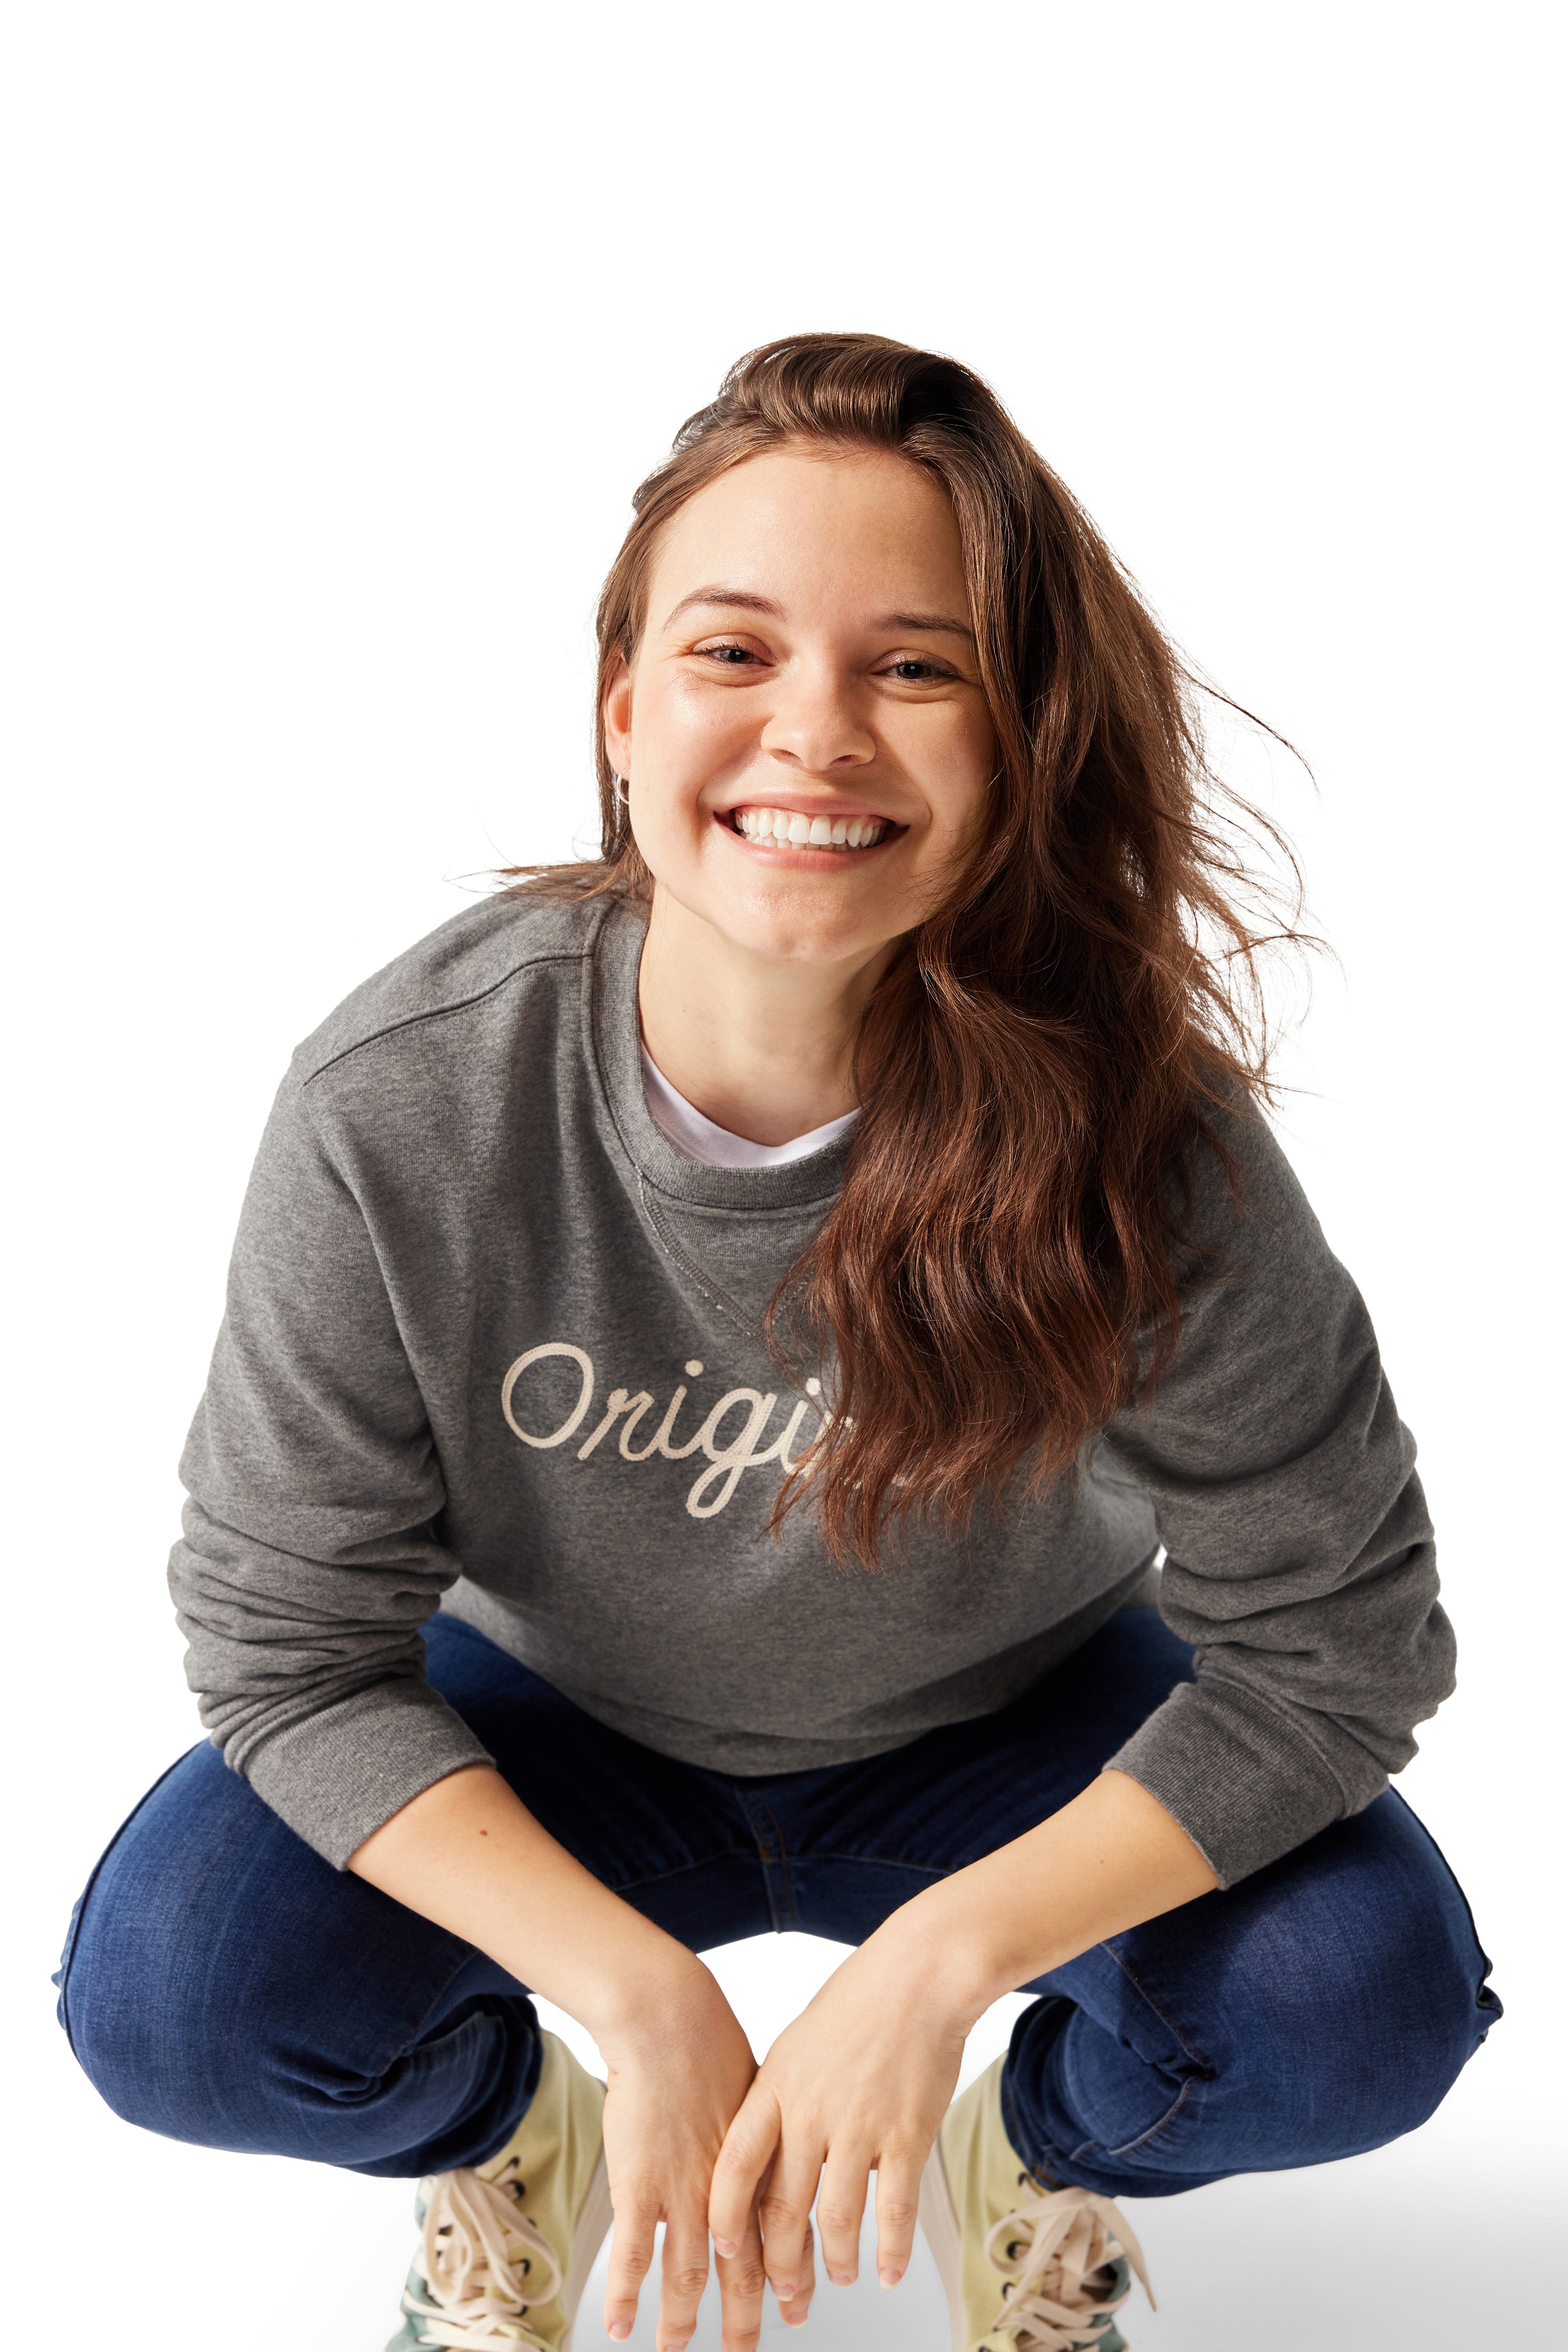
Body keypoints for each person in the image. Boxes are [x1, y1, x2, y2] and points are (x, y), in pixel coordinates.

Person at [55, 333, 1500, 2352]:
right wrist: (642, 2004)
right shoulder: (405, 1099)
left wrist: (937, 1970)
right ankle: (513, 2148)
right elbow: (285, 1652)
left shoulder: (1139, 1136)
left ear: (1013, 743)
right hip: (558, 1725)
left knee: (1356, 2007)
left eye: (916, 668)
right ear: (625, 712)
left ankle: (1052, 2164)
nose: (814, 734)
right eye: (736, 653)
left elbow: (1342, 1644)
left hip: (1012, 1723)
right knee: (184, 1997)